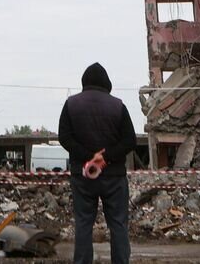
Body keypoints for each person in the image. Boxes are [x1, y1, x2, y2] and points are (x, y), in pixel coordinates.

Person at [57, 63, 137, 264]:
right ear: (106, 83)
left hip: (82, 176)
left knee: (84, 224)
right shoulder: (118, 106)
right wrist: (105, 157)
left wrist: (88, 157)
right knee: (118, 224)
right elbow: (130, 141)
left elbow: (64, 137)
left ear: (84, 82)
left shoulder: (71, 104)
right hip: (114, 176)